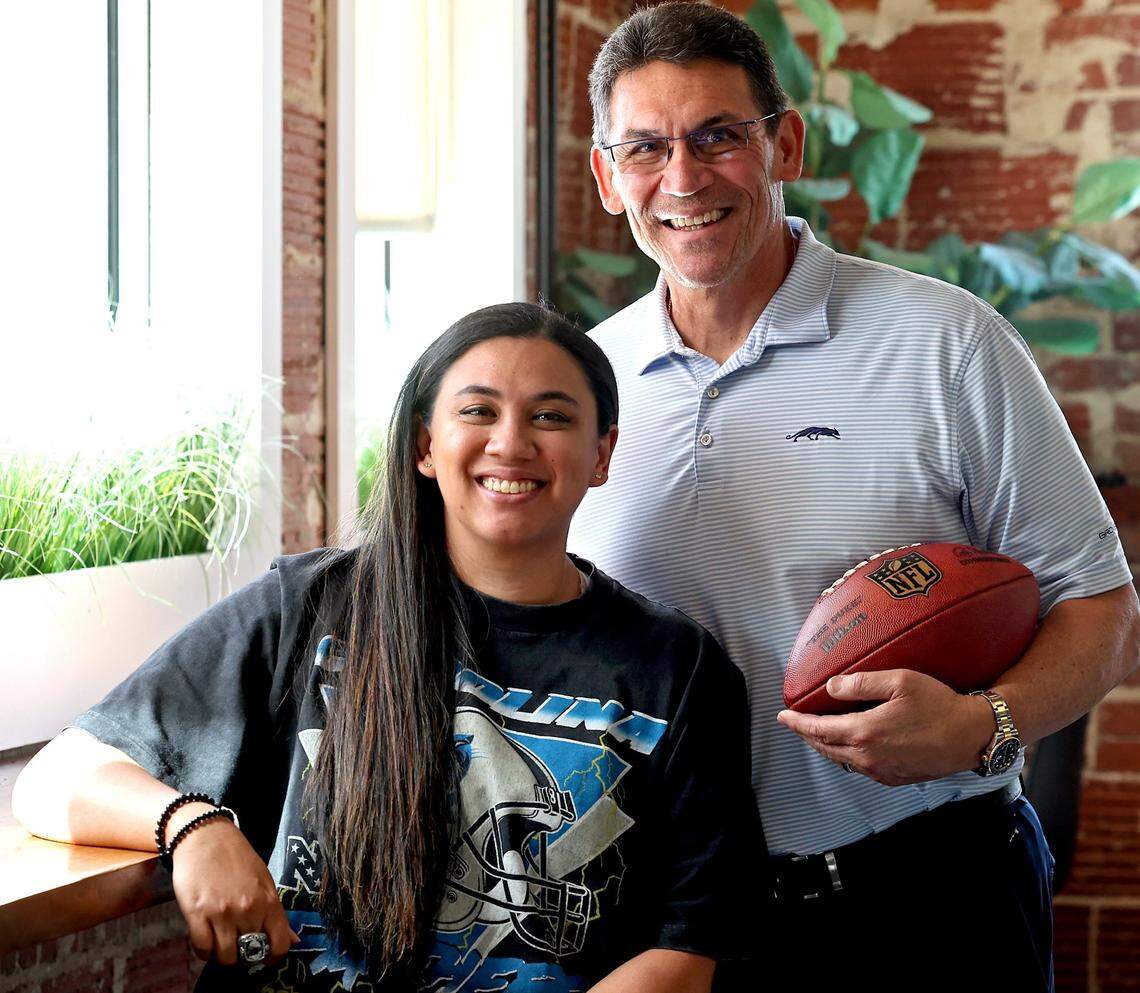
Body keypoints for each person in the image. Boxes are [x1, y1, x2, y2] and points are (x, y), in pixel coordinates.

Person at [567, 0, 1140, 990]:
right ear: (608, 178)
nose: (684, 178)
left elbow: (1104, 609)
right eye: (647, 148)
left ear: (784, 144)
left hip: (930, 900)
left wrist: (982, 725)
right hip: (680, 921)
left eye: (718, 136)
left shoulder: (946, 344)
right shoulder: (581, 385)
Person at [13, 303, 757, 993]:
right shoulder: (308, 607)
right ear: (427, 446)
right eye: (478, 411)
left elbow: (688, 948)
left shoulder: (677, 670)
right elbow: (56, 779)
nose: (510, 442)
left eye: (550, 416)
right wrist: (193, 826)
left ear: (602, 453)